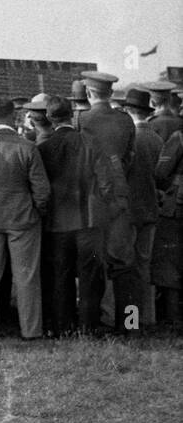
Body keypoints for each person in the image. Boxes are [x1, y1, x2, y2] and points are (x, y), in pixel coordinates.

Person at [0, 97, 50, 339]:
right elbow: (42, 191)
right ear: (14, 117)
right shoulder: (28, 147)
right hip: (22, 219)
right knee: (26, 277)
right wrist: (38, 211)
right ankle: (31, 330)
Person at [36, 96, 109, 335]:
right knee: (90, 276)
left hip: (57, 222)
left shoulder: (44, 149)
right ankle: (88, 326)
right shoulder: (91, 143)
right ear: (73, 115)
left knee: (60, 275)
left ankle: (61, 326)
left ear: (49, 118)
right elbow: (107, 183)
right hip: (89, 220)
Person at [78, 71, 139, 333]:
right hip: (120, 194)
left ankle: (91, 325)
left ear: (90, 93)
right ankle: (130, 325)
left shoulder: (82, 119)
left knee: (92, 263)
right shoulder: (125, 121)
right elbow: (130, 158)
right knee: (125, 265)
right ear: (110, 93)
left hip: (92, 198)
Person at [122, 87, 163, 326]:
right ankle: (147, 317)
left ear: (128, 110)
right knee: (144, 266)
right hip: (150, 209)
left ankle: (129, 319)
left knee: (125, 267)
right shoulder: (157, 139)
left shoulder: (126, 138)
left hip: (127, 211)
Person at [153, 127, 183, 326]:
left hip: (178, 207)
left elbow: (160, 172)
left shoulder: (179, 137)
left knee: (170, 262)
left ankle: (173, 317)